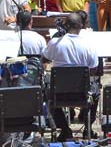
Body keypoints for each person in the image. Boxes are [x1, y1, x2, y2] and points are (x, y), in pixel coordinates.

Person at [42, 12, 99, 141]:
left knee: (47, 94)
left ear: (66, 26)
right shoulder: (88, 44)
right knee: (96, 91)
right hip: (82, 93)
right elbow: (94, 69)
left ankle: (65, 129)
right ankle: (87, 129)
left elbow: (44, 59)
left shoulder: (56, 42)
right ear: (81, 26)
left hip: (59, 94)